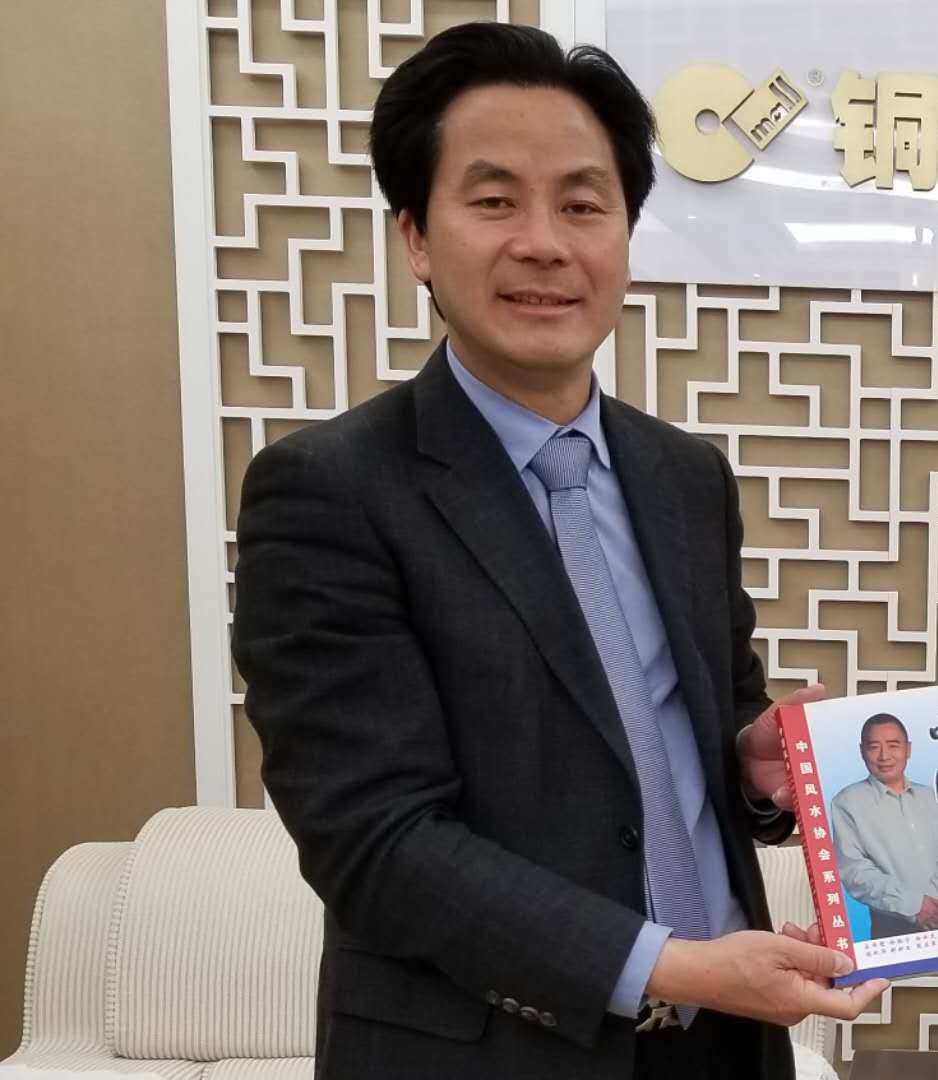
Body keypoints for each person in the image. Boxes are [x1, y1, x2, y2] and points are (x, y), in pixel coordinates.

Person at [229, 23, 884, 1080]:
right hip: (482, 1055)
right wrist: (667, 966)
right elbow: (375, 839)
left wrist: (755, 766)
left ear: (625, 234)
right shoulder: (328, 490)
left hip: (724, 1046)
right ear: (415, 238)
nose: (544, 243)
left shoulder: (685, 477)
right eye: (494, 201)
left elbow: (696, 730)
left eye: (583, 205)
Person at [829, 713, 938, 939]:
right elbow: (854, 870)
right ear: (862, 751)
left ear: (908, 749)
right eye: (874, 747)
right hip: (892, 926)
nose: (884, 756)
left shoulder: (930, 795)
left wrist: (935, 903)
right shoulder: (846, 802)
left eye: (893, 745)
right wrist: (914, 905)